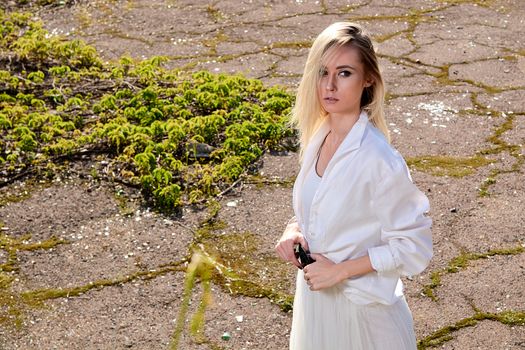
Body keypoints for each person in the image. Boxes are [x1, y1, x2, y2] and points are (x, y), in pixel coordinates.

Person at [274, 22, 432, 350]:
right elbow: (320, 208)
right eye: (322, 72)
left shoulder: (378, 159)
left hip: (363, 316)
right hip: (316, 305)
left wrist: (341, 271)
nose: (329, 85)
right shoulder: (318, 138)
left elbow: (413, 247)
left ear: (368, 79)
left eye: (344, 73)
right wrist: (294, 231)